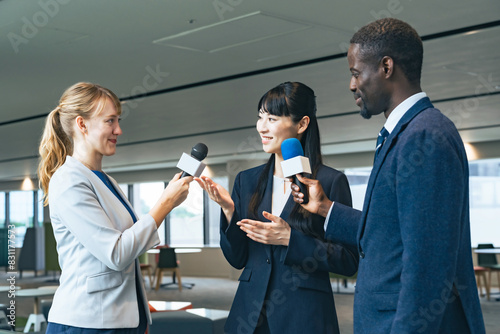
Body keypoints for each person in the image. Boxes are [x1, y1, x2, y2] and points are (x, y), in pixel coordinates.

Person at [291, 18, 486, 333]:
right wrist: (326, 208)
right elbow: (390, 232)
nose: (352, 85)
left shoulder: (424, 136)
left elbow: (427, 269)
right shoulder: (403, 134)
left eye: (356, 73)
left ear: (386, 67)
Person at [196, 82, 358, 334]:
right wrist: (229, 211)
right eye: (261, 117)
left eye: (271, 118)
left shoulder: (329, 182)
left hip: (304, 316)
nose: (261, 127)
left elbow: (349, 261)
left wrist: (290, 239)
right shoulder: (246, 181)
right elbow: (237, 259)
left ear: (302, 124)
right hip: (249, 317)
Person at [38, 82, 192, 333]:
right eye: (110, 121)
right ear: (82, 124)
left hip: (121, 318)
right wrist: (165, 204)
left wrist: (141, 317)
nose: (118, 130)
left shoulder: (107, 181)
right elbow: (116, 254)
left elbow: (127, 248)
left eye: (118, 121)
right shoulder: (68, 181)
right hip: (87, 322)